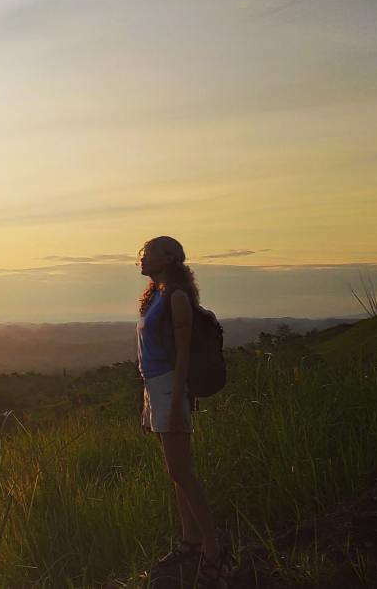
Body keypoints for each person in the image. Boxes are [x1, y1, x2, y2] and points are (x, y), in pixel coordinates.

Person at [136, 235, 230, 587]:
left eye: (147, 254)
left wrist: (175, 402)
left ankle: (213, 548)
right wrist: (147, 402)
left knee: (182, 471)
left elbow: (184, 354)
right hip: (154, 388)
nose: (142, 260)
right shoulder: (157, 295)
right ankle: (191, 541)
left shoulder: (176, 297)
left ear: (169, 258)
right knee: (176, 473)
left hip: (169, 387)